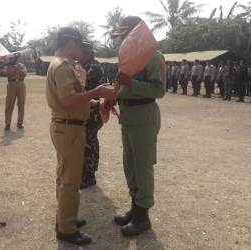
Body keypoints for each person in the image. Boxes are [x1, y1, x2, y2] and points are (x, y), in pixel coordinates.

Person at [46, 27, 115, 245]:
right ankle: (66, 228)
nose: (80, 50)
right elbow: (68, 100)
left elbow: (72, 98)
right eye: (79, 45)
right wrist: (98, 92)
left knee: (64, 175)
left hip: (66, 126)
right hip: (69, 128)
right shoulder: (64, 66)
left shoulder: (58, 63)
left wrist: (95, 102)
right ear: (71, 43)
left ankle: (66, 218)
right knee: (70, 180)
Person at [109, 16, 166, 237]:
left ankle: (143, 216)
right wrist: (113, 96)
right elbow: (122, 84)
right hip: (129, 115)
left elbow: (159, 90)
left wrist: (130, 83)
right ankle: (135, 207)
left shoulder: (153, 56)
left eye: (124, 35)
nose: (121, 39)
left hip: (144, 114)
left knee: (143, 165)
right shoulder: (128, 58)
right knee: (130, 164)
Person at [78, 42, 105, 189]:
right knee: (86, 142)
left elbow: (81, 85)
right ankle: (85, 172)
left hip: (93, 112)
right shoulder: (85, 66)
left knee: (90, 142)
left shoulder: (93, 67)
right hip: (87, 110)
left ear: (87, 54)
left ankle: (89, 175)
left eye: (81, 53)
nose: (78, 56)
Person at [4, 62, 27, 130]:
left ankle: (20, 123)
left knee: (21, 104)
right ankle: (7, 124)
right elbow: (6, 74)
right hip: (11, 84)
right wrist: (11, 68)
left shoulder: (22, 65)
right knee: (9, 104)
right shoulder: (8, 65)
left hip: (21, 84)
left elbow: (24, 74)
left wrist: (17, 69)